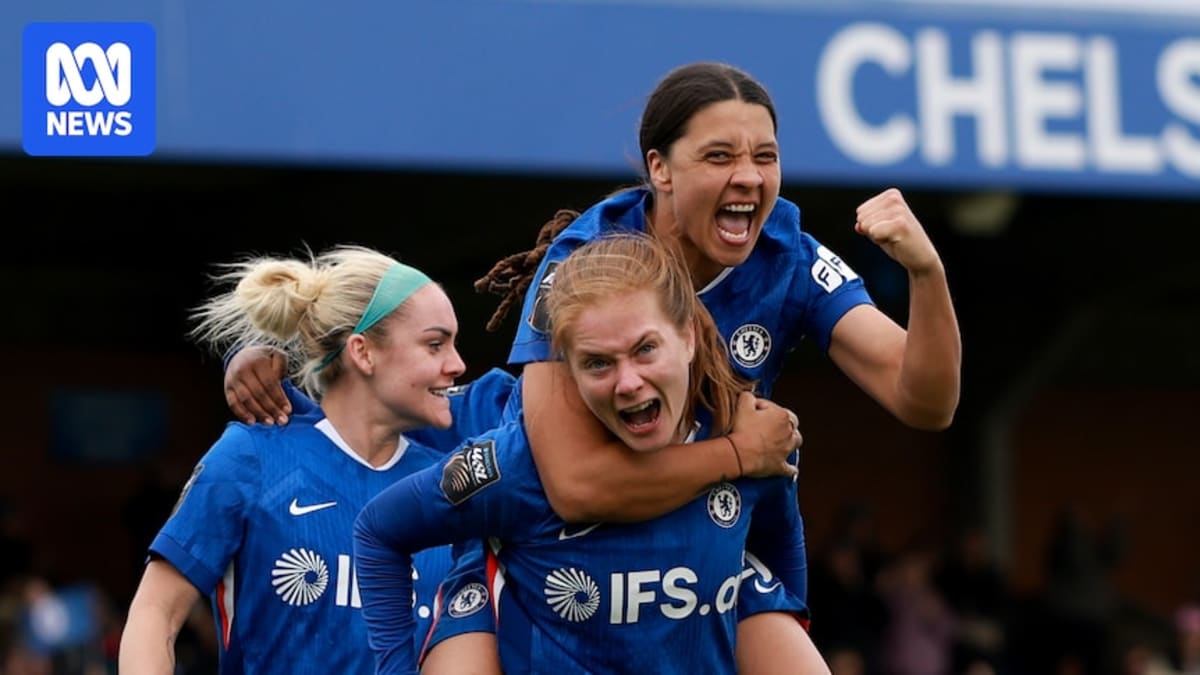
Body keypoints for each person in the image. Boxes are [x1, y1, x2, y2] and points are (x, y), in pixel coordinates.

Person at [226, 60, 961, 669]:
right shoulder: (579, 263)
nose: (749, 177)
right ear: (658, 169)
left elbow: (924, 401)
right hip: (555, 540)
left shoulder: (787, 255)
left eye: (764, 157)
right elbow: (572, 484)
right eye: (718, 156)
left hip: (697, 531)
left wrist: (927, 274)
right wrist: (738, 451)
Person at [353, 233, 809, 674]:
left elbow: (779, 549)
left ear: (687, 337)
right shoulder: (517, 465)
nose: (628, 382)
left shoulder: (755, 439)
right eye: (597, 363)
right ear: (565, 368)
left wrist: (785, 623)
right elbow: (380, 530)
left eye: (645, 349)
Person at [118, 245, 509, 674]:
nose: (457, 364)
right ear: (363, 352)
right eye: (435, 344)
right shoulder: (252, 458)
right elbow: (156, 613)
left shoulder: (451, 483)